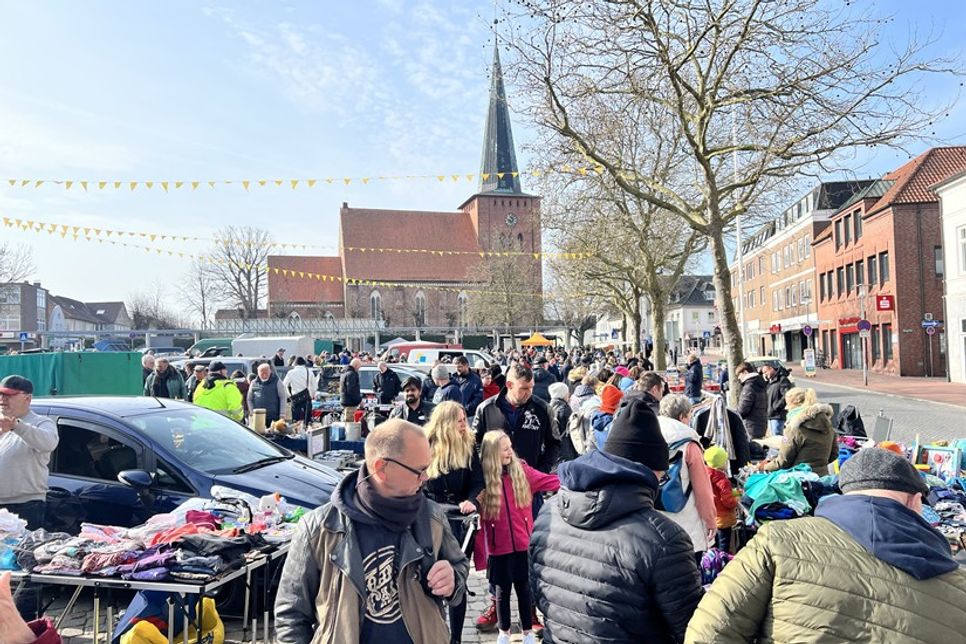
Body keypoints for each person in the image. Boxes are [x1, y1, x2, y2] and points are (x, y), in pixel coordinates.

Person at [686, 448, 966, 642]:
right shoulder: (957, 585)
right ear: (914, 500)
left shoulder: (779, 540)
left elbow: (709, 631)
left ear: (846, 490)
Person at [274, 419, 469, 643]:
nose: (426, 478)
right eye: (419, 470)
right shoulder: (318, 529)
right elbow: (291, 615)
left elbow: (460, 566)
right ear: (381, 469)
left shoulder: (431, 516)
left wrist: (453, 579)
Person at [530, 397, 704, 643]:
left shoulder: (550, 511)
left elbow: (540, 594)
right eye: (662, 478)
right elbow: (692, 629)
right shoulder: (666, 539)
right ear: (650, 473)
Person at [472, 363, 560, 631]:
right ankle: (495, 603)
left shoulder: (541, 408)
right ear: (509, 385)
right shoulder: (486, 409)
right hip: (494, 490)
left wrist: (539, 472)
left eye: (531, 388)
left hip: (525, 488)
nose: (528, 392)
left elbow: (555, 442)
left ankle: (530, 608)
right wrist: (482, 478)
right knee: (496, 548)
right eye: (524, 388)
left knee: (528, 547)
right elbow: (474, 445)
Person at [479, 431, 560, 644]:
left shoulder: (522, 471)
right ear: (492, 453)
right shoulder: (483, 478)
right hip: (499, 547)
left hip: (523, 544)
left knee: (525, 590)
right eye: (504, 449)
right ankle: (503, 633)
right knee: (501, 591)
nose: (509, 452)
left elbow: (549, 481)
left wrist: (572, 480)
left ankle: (527, 633)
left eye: (510, 447)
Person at [422, 402, 484, 644]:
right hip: (430, 517)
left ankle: (455, 638)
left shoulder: (468, 445)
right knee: (430, 577)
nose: (464, 424)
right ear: (446, 422)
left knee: (457, 579)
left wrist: (471, 501)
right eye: (459, 420)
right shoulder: (426, 444)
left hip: (460, 519)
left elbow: (478, 481)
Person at [657, 394, 716, 563]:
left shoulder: (647, 434)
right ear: (683, 416)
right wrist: (710, 519)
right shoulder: (688, 442)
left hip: (653, 516)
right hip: (684, 517)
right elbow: (702, 488)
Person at [0, 376, 58, 531]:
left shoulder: (41, 423)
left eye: (9, 395)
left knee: (19, 553)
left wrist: (16, 426)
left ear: (27, 398)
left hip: (23, 507)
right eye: (1, 395)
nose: (2, 399)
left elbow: (49, 443)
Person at [757, 395, 838, 476]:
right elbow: (834, 455)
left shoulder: (795, 429)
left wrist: (763, 467)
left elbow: (783, 462)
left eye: (788, 404)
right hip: (822, 476)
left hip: (798, 478)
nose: (785, 408)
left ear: (796, 406)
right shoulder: (829, 428)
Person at [704, 445, 739, 553]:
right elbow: (727, 501)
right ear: (721, 463)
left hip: (710, 517)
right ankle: (722, 562)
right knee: (724, 544)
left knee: (712, 543)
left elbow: (718, 493)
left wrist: (734, 492)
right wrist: (736, 499)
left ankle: (712, 562)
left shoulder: (705, 475)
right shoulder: (722, 480)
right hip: (723, 520)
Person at [735, 361, 767, 440]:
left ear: (745, 372)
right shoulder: (760, 383)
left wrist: (734, 415)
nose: (739, 378)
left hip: (751, 426)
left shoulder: (749, 387)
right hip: (761, 423)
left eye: (739, 375)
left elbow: (743, 409)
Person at [283, 357, 317, 427]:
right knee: (307, 422)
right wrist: (312, 395)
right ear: (304, 364)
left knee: (295, 422)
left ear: (295, 364)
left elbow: (284, 385)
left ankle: (296, 435)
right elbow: (315, 386)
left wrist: (289, 395)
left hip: (295, 399)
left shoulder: (290, 372)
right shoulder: (309, 372)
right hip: (307, 399)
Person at [762, 363, 793, 436]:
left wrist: (776, 407)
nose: (765, 374)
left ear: (771, 369)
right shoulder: (769, 382)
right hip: (770, 414)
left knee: (777, 436)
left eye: (766, 372)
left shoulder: (782, 380)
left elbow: (786, 395)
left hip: (777, 415)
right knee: (773, 436)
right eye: (763, 373)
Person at [548, 382, 575, 462]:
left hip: (555, 448)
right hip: (566, 448)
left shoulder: (548, 406)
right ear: (563, 394)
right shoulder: (565, 409)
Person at [339, 358, 362, 422]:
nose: (358, 369)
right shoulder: (352, 374)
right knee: (349, 423)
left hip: (345, 401)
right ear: (356, 365)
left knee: (346, 421)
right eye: (359, 367)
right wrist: (359, 400)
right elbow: (352, 390)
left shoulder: (344, 372)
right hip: (350, 403)